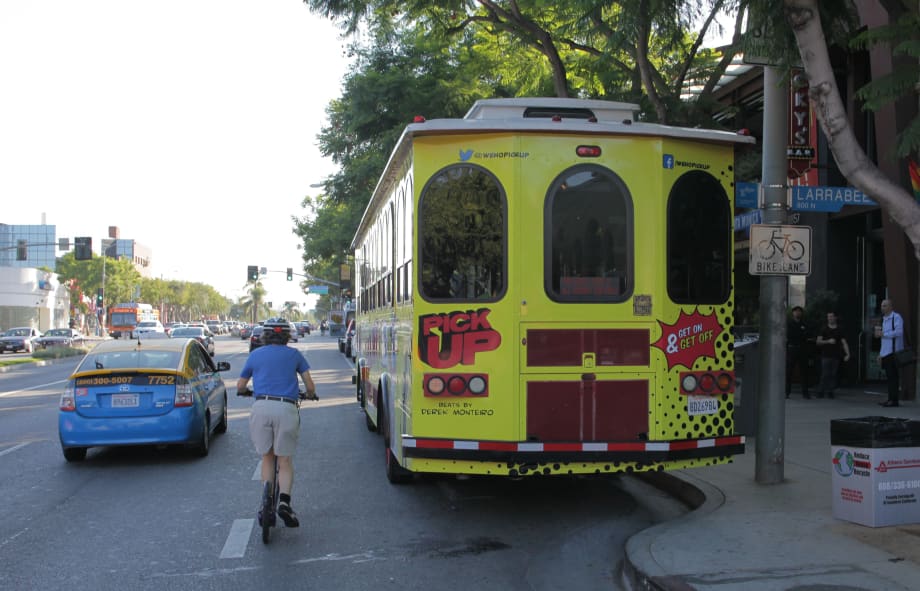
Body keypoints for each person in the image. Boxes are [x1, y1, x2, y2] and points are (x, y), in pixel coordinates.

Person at [237, 318, 317, 527]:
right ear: (287, 336)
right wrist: (310, 394)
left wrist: (244, 391)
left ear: (265, 335)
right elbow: (309, 383)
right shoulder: (294, 355)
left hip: (261, 407)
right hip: (286, 408)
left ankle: (266, 502)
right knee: (284, 460)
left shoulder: (255, 355)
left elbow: (240, 385)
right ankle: (284, 502)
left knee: (267, 458)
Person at [877, 299, 905, 407]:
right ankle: (890, 399)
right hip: (886, 352)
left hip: (894, 352)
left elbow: (899, 332)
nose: (882, 307)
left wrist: (884, 334)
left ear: (890, 307)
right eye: (882, 305)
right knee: (889, 377)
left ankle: (894, 400)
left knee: (893, 377)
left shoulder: (896, 317)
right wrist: (880, 353)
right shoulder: (883, 319)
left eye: (884, 305)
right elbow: (882, 340)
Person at [815, 311, 850, 399]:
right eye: (828, 317)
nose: (830, 318)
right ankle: (821, 391)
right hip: (826, 355)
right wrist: (828, 341)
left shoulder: (840, 329)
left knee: (833, 374)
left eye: (831, 316)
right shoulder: (824, 329)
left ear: (835, 318)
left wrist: (848, 354)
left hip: (836, 355)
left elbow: (844, 342)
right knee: (825, 374)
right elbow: (818, 342)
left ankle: (830, 391)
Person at [785, 306, 811, 399]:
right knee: (789, 371)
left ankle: (805, 393)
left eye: (799, 311)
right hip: (792, 348)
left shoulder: (804, 324)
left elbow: (807, 335)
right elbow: (789, 335)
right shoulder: (789, 324)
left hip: (802, 349)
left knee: (804, 371)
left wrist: (801, 335)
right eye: (796, 311)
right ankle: (786, 392)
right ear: (793, 313)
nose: (797, 313)